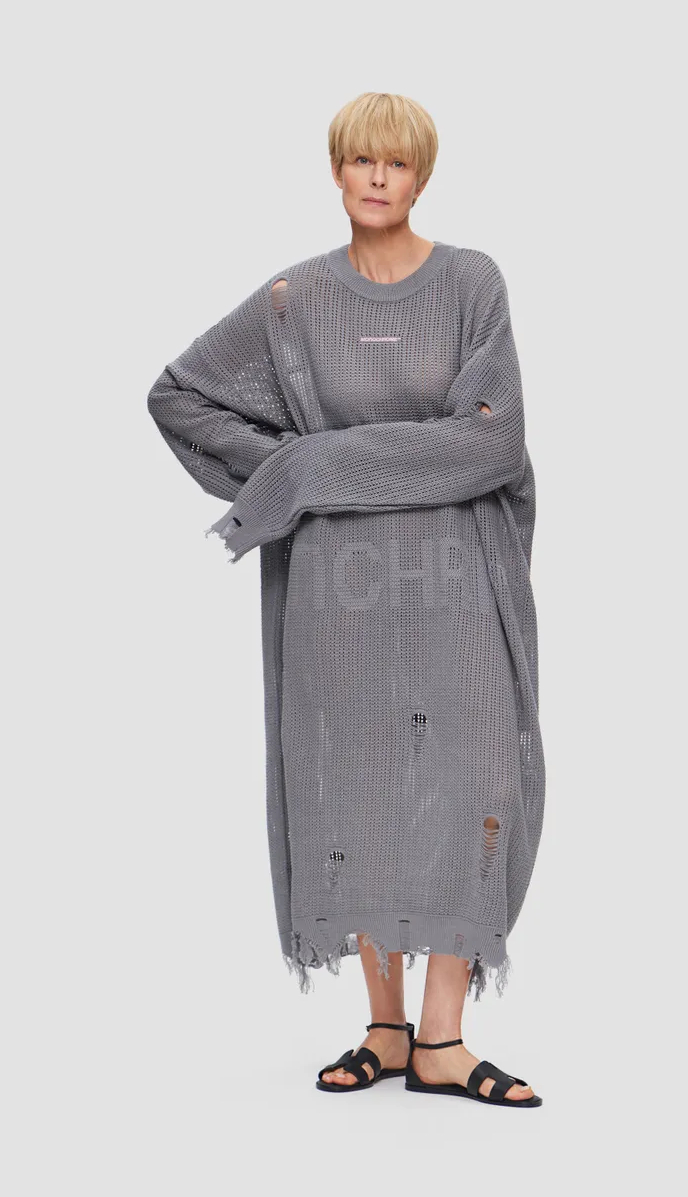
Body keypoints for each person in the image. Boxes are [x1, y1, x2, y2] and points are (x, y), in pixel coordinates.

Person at [146, 91, 545, 1108]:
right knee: (356, 787)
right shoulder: (294, 300)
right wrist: (286, 471)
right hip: (338, 593)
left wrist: (318, 464)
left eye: (396, 163)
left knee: (471, 781)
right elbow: (176, 396)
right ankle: (387, 1030)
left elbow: (492, 440)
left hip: (457, 583)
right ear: (336, 171)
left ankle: (446, 1040)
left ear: (421, 178)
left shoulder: (471, 282)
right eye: (361, 160)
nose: (377, 177)